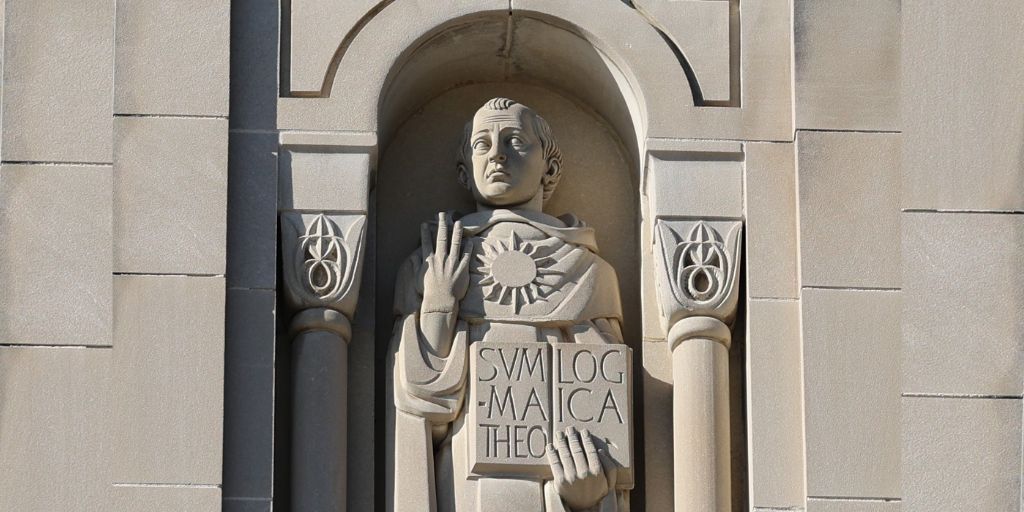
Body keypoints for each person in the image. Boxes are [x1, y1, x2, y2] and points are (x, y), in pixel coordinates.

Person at [388, 98, 629, 512]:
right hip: (464, 486)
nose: (497, 154)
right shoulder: (430, 263)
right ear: (465, 172)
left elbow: (604, 416)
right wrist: (440, 305)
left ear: (549, 168)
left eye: (514, 140)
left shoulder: (590, 274)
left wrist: (587, 496)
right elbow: (419, 409)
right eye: (482, 144)